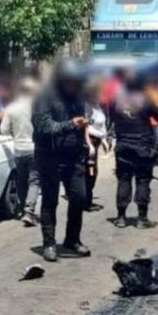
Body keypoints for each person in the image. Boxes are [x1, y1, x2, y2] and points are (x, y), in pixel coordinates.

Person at [32, 59, 90, 262]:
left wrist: (85, 139)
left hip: (73, 156)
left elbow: (81, 121)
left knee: (80, 197)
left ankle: (72, 239)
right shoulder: (44, 96)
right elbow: (44, 127)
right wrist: (70, 124)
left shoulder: (77, 97)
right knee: (50, 200)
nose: (72, 85)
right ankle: (49, 243)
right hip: (50, 157)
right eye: (69, 81)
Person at [112, 74, 158, 229]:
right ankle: (142, 219)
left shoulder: (117, 100)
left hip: (123, 145)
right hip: (142, 146)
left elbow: (112, 117)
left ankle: (121, 217)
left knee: (123, 180)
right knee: (142, 180)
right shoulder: (145, 100)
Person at [0, 77, 40, 227]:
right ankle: (29, 210)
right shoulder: (37, 106)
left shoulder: (11, 108)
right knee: (34, 180)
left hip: (19, 149)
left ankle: (24, 209)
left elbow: (3, 130)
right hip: (35, 148)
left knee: (22, 180)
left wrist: (14, 135)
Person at [83, 78, 108, 212]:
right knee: (90, 171)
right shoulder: (86, 107)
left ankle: (87, 198)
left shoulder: (97, 106)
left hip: (96, 141)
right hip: (89, 142)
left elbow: (102, 125)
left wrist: (103, 139)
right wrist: (90, 144)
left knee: (92, 171)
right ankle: (86, 201)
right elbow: (86, 126)